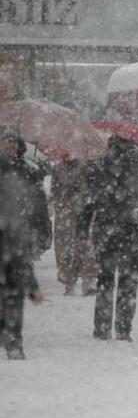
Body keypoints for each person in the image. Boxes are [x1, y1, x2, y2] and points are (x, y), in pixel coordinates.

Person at [80, 136, 138, 341]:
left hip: (107, 229)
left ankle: (102, 327)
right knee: (129, 281)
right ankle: (124, 328)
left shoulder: (100, 166)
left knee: (105, 279)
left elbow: (89, 200)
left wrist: (83, 226)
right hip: (134, 231)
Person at [0, 127, 46, 359]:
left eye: (12, 143)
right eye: (5, 143)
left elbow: (38, 202)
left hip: (16, 231)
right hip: (11, 232)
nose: (9, 147)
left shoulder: (28, 170)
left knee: (13, 288)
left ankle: (13, 340)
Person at [52, 158, 98, 295]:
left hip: (83, 211)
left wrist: (80, 191)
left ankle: (88, 280)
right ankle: (69, 280)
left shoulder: (87, 167)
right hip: (64, 212)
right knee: (64, 246)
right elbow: (54, 190)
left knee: (85, 244)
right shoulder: (57, 168)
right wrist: (66, 192)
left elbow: (92, 187)